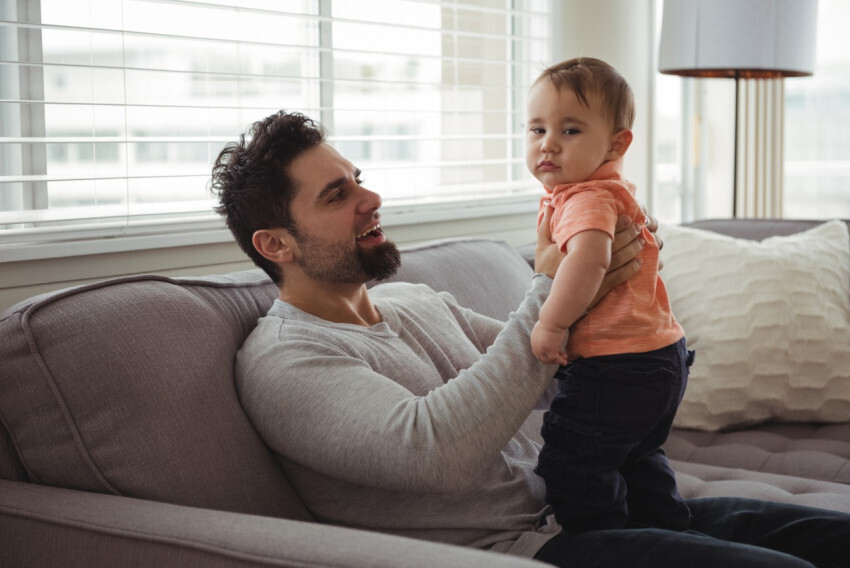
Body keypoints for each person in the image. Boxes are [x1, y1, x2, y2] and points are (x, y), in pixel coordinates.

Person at [211, 109, 850, 568]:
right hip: (527, 549)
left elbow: (565, 363)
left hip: (594, 503)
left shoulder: (412, 301)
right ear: (276, 245)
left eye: (359, 177)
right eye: (337, 194)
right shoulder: (286, 361)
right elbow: (435, 450)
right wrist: (549, 286)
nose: (371, 197)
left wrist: (614, 282)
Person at [525, 57, 690, 533]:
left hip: (618, 366)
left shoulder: (587, 197)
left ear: (617, 143)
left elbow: (589, 260)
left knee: (572, 466)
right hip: (658, 359)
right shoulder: (607, 191)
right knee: (636, 461)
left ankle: (610, 546)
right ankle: (669, 535)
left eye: (570, 131)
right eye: (536, 129)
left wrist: (551, 323)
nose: (548, 144)